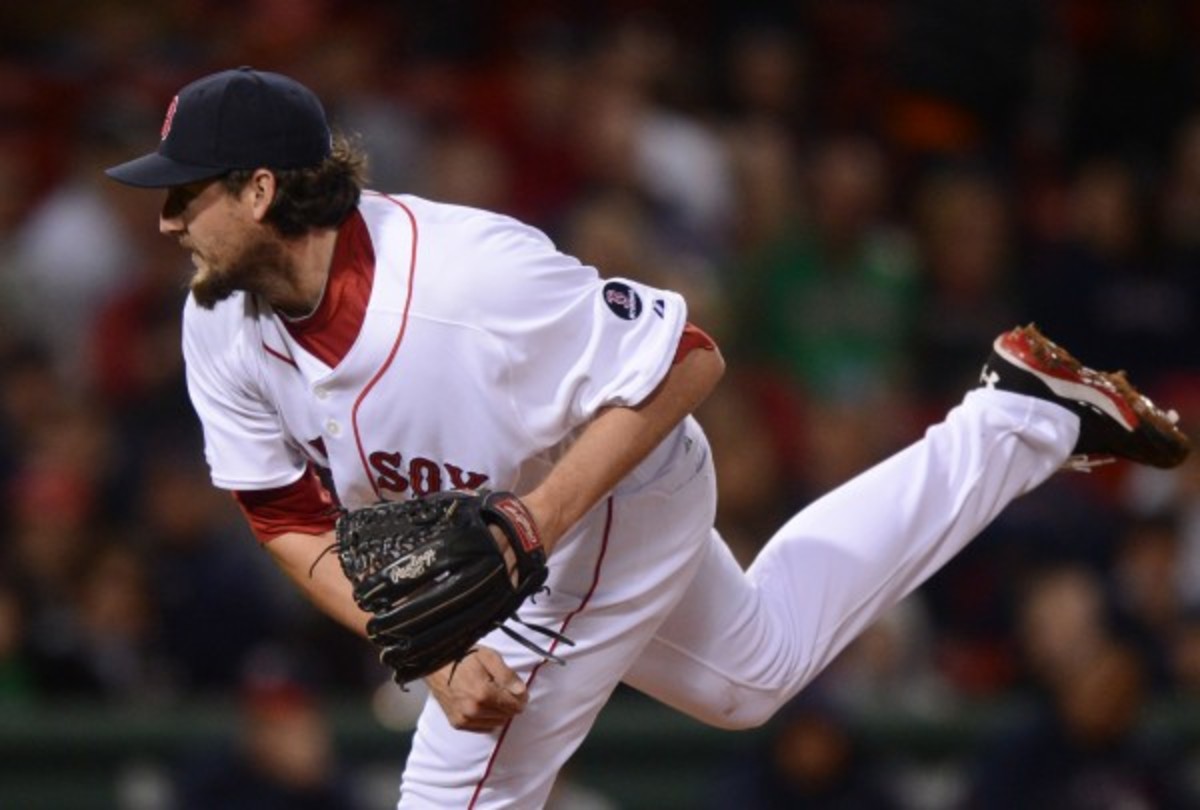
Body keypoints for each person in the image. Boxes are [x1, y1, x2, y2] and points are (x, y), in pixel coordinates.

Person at [104, 67, 1190, 809]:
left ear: (259, 189)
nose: (163, 222)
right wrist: (429, 646)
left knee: (454, 789)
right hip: (522, 542)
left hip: (613, 490)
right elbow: (283, 513)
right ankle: (1020, 416)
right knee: (747, 675)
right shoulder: (221, 323)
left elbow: (689, 359)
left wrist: (533, 527)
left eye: (183, 196)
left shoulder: (470, 280)